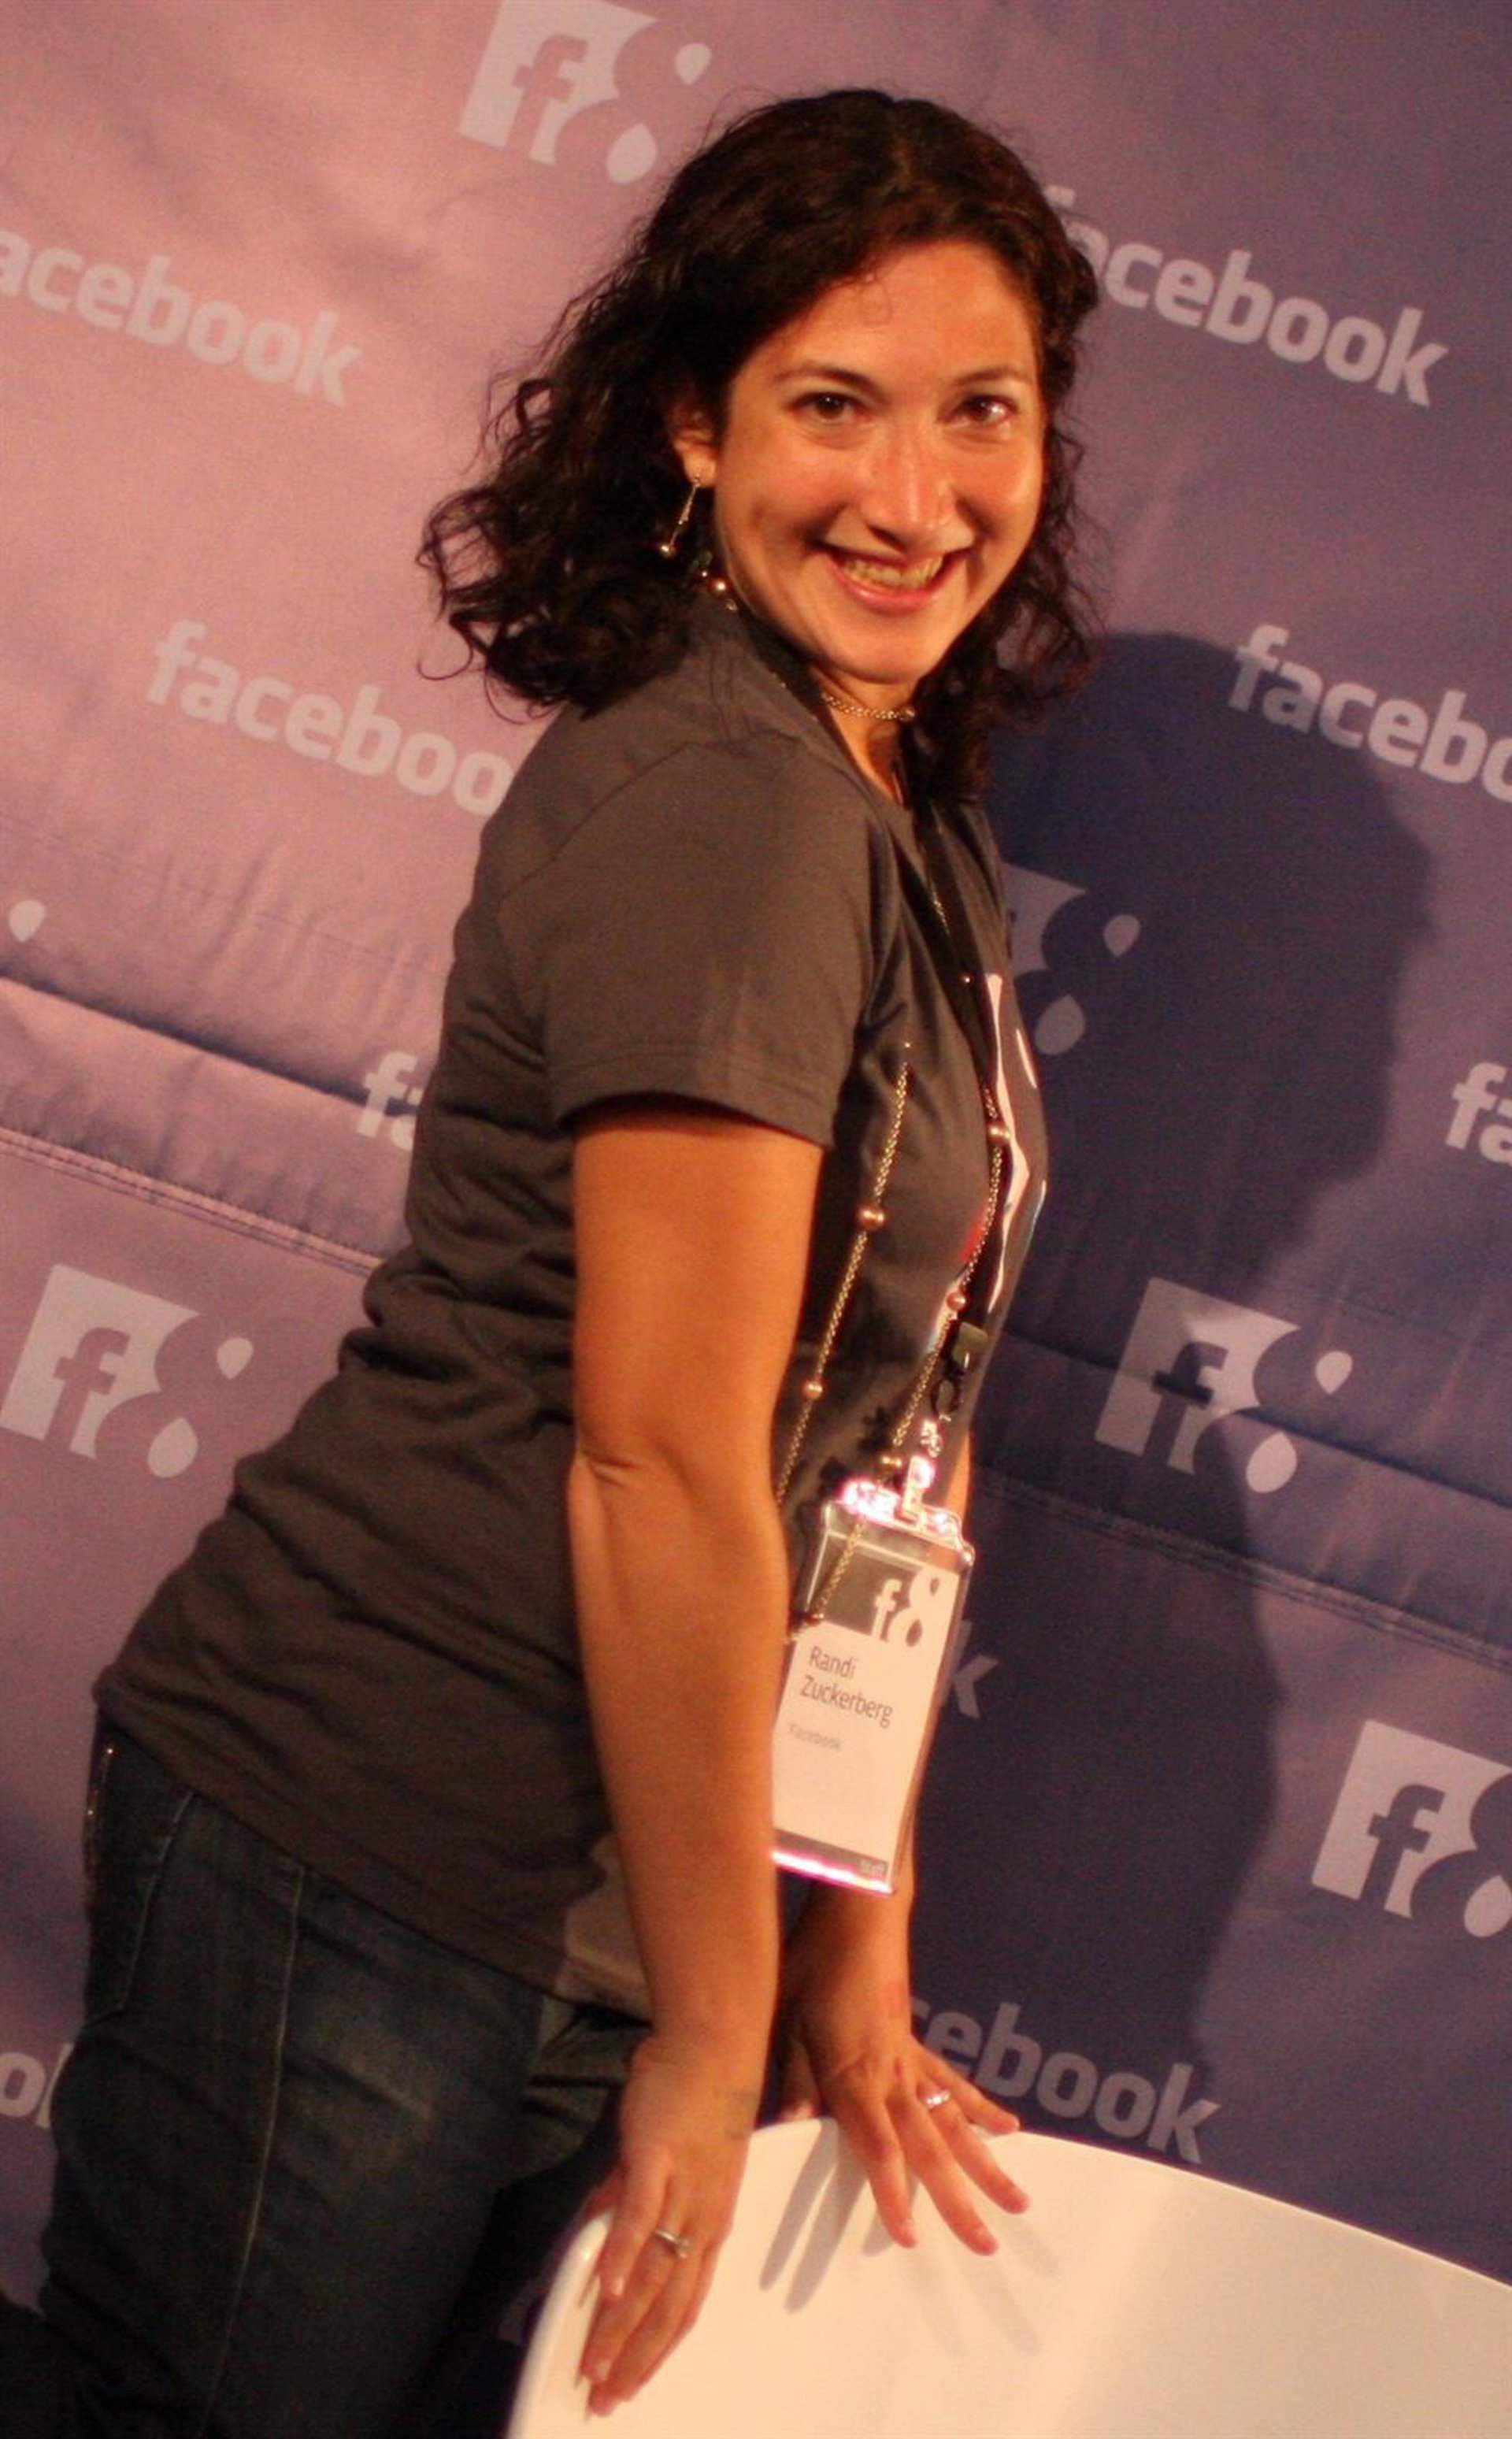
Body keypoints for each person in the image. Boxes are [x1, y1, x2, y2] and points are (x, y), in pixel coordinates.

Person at [4, 87, 1098, 2437]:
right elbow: (665, 1459)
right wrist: (725, 2017)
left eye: (982, 412)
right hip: (378, 1850)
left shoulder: (894, 802)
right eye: (834, 406)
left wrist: (850, 1956)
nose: (917, 497)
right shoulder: (730, 797)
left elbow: (893, 1450)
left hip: (608, 1901)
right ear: (696, 427)